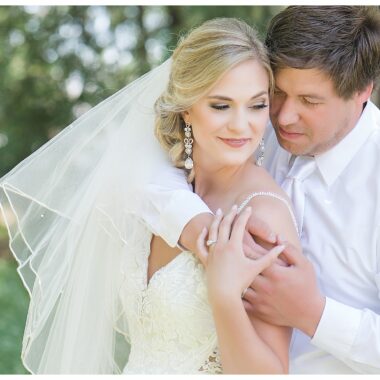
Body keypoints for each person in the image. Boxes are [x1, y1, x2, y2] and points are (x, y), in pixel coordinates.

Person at [0, 18, 299, 374]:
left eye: (257, 105)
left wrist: (223, 296)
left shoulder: (262, 216)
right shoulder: (163, 185)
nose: (241, 125)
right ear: (187, 108)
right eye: (221, 105)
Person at [137, 6, 380, 374]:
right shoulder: (250, 121)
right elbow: (150, 166)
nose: (282, 117)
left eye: (310, 101)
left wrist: (313, 313)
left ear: (363, 90)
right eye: (277, 93)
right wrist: (200, 227)